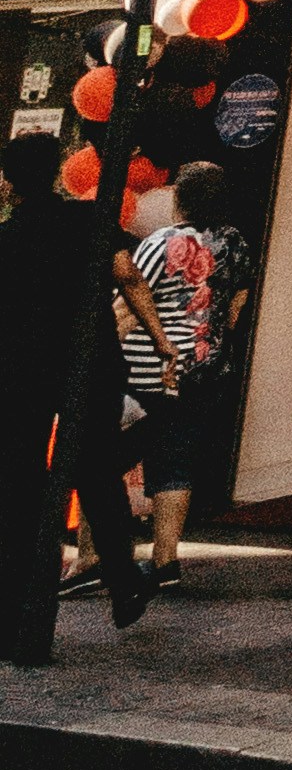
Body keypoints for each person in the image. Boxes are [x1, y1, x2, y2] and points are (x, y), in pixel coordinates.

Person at [0, 121, 144, 630]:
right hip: (91, 361)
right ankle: (124, 579)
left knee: (19, 479)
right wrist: (161, 338)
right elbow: (127, 274)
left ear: (9, 183)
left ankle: (21, 596)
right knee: (96, 473)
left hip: (25, 369)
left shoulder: (9, 237)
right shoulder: (89, 218)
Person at [118, 159, 248, 589]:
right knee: (175, 459)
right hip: (206, 368)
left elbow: (133, 306)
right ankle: (165, 562)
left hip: (152, 369)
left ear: (179, 199)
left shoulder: (163, 243)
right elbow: (233, 310)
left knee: (106, 458)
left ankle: (95, 556)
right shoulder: (236, 243)